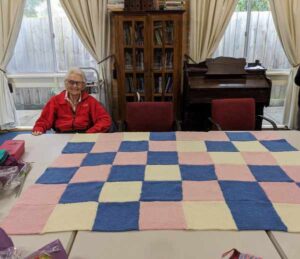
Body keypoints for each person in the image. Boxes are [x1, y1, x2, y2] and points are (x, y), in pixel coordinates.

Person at [32, 68, 111, 135]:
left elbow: (105, 120)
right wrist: (38, 129)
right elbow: (44, 120)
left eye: (78, 83)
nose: (74, 86)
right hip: (61, 136)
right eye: (71, 82)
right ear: (65, 83)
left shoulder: (90, 101)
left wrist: (89, 133)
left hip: (84, 135)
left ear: (83, 85)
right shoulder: (55, 101)